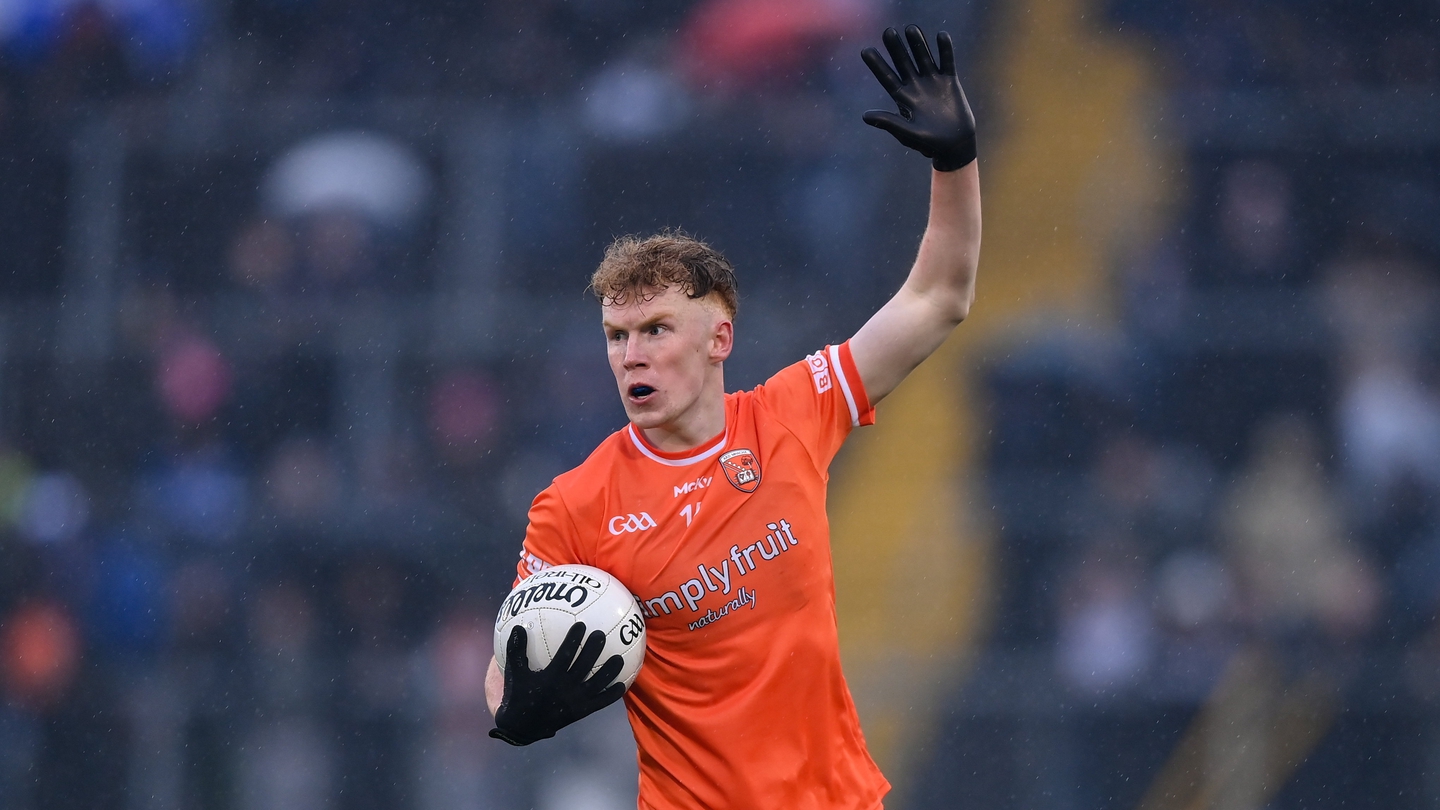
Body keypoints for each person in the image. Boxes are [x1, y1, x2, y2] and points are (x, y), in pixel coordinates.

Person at [485, 24, 981, 809]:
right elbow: (511, 659)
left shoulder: (794, 412)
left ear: (719, 339)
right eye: (617, 337)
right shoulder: (576, 506)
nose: (631, 356)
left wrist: (954, 164)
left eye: (655, 332)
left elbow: (937, 299)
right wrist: (518, 712)